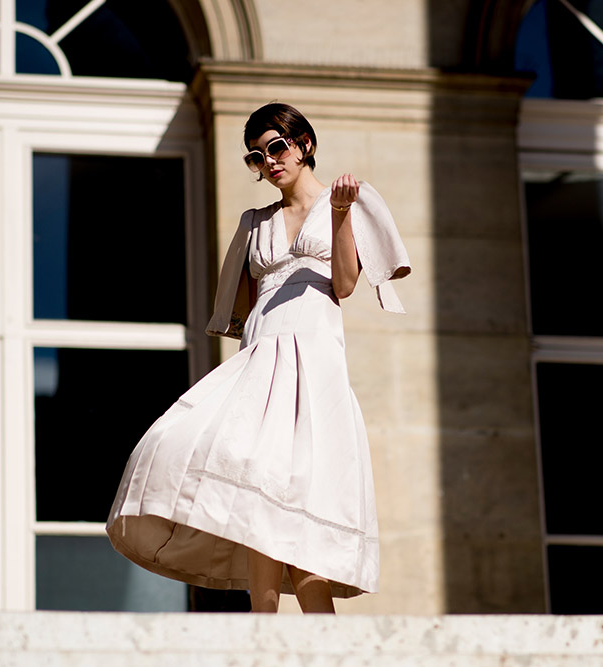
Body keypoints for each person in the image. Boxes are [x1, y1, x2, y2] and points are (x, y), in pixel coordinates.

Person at [107, 102, 411, 613]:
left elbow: (344, 284)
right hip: (261, 364)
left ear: (304, 145)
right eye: (256, 156)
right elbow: (245, 309)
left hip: (313, 368)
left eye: (276, 147)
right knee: (249, 493)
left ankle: (318, 642)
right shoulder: (254, 222)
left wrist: (339, 214)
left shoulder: (345, 203)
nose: (269, 161)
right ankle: (261, 634)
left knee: (303, 508)